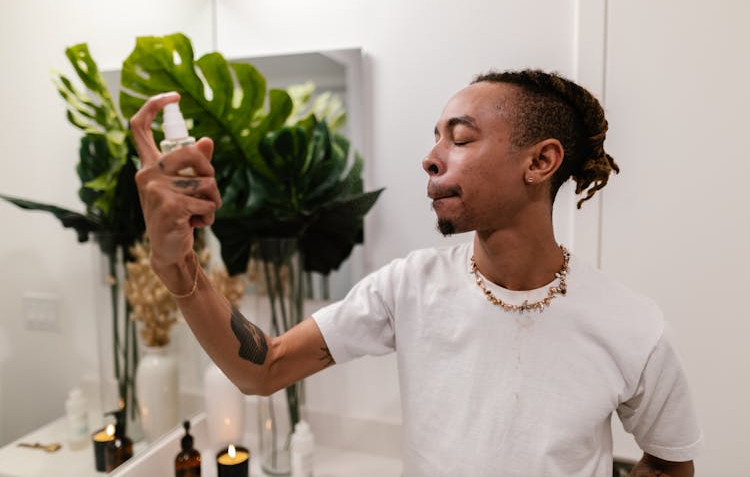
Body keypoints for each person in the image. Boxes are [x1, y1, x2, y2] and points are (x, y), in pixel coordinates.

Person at [131, 69, 703, 477]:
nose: (431, 157)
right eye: (434, 138)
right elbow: (263, 369)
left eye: (459, 137)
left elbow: (671, 461)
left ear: (540, 161)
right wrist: (177, 262)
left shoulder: (631, 327)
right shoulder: (407, 288)